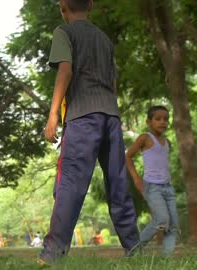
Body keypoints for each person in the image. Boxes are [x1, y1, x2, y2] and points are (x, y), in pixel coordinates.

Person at [40, 0, 140, 264]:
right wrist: (112, 114)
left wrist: (52, 115)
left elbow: (65, 69)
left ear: (63, 6)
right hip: (110, 116)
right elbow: (113, 82)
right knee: (118, 184)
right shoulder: (104, 40)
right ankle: (134, 249)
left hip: (82, 116)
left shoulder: (65, 32)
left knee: (70, 183)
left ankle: (52, 255)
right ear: (91, 6)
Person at [125, 106, 179, 255]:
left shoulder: (168, 142)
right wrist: (136, 179)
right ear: (149, 122)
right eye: (158, 119)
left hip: (168, 187)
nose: (163, 122)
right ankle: (133, 252)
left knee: (173, 226)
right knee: (162, 220)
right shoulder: (145, 138)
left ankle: (167, 260)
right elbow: (128, 156)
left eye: (166, 119)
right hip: (152, 187)